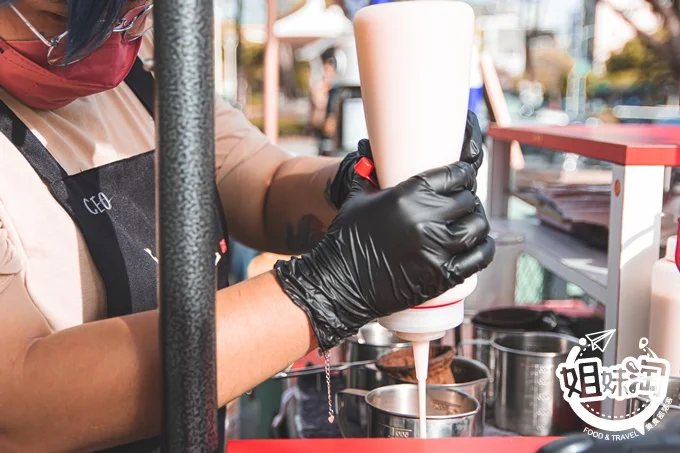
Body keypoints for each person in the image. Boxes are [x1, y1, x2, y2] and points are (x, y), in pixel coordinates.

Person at [0, 1, 495, 452]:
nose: (109, 42)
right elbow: (18, 400)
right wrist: (328, 292)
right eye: (60, 23)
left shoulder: (145, 63)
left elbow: (260, 182)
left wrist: (362, 186)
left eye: (132, 14)